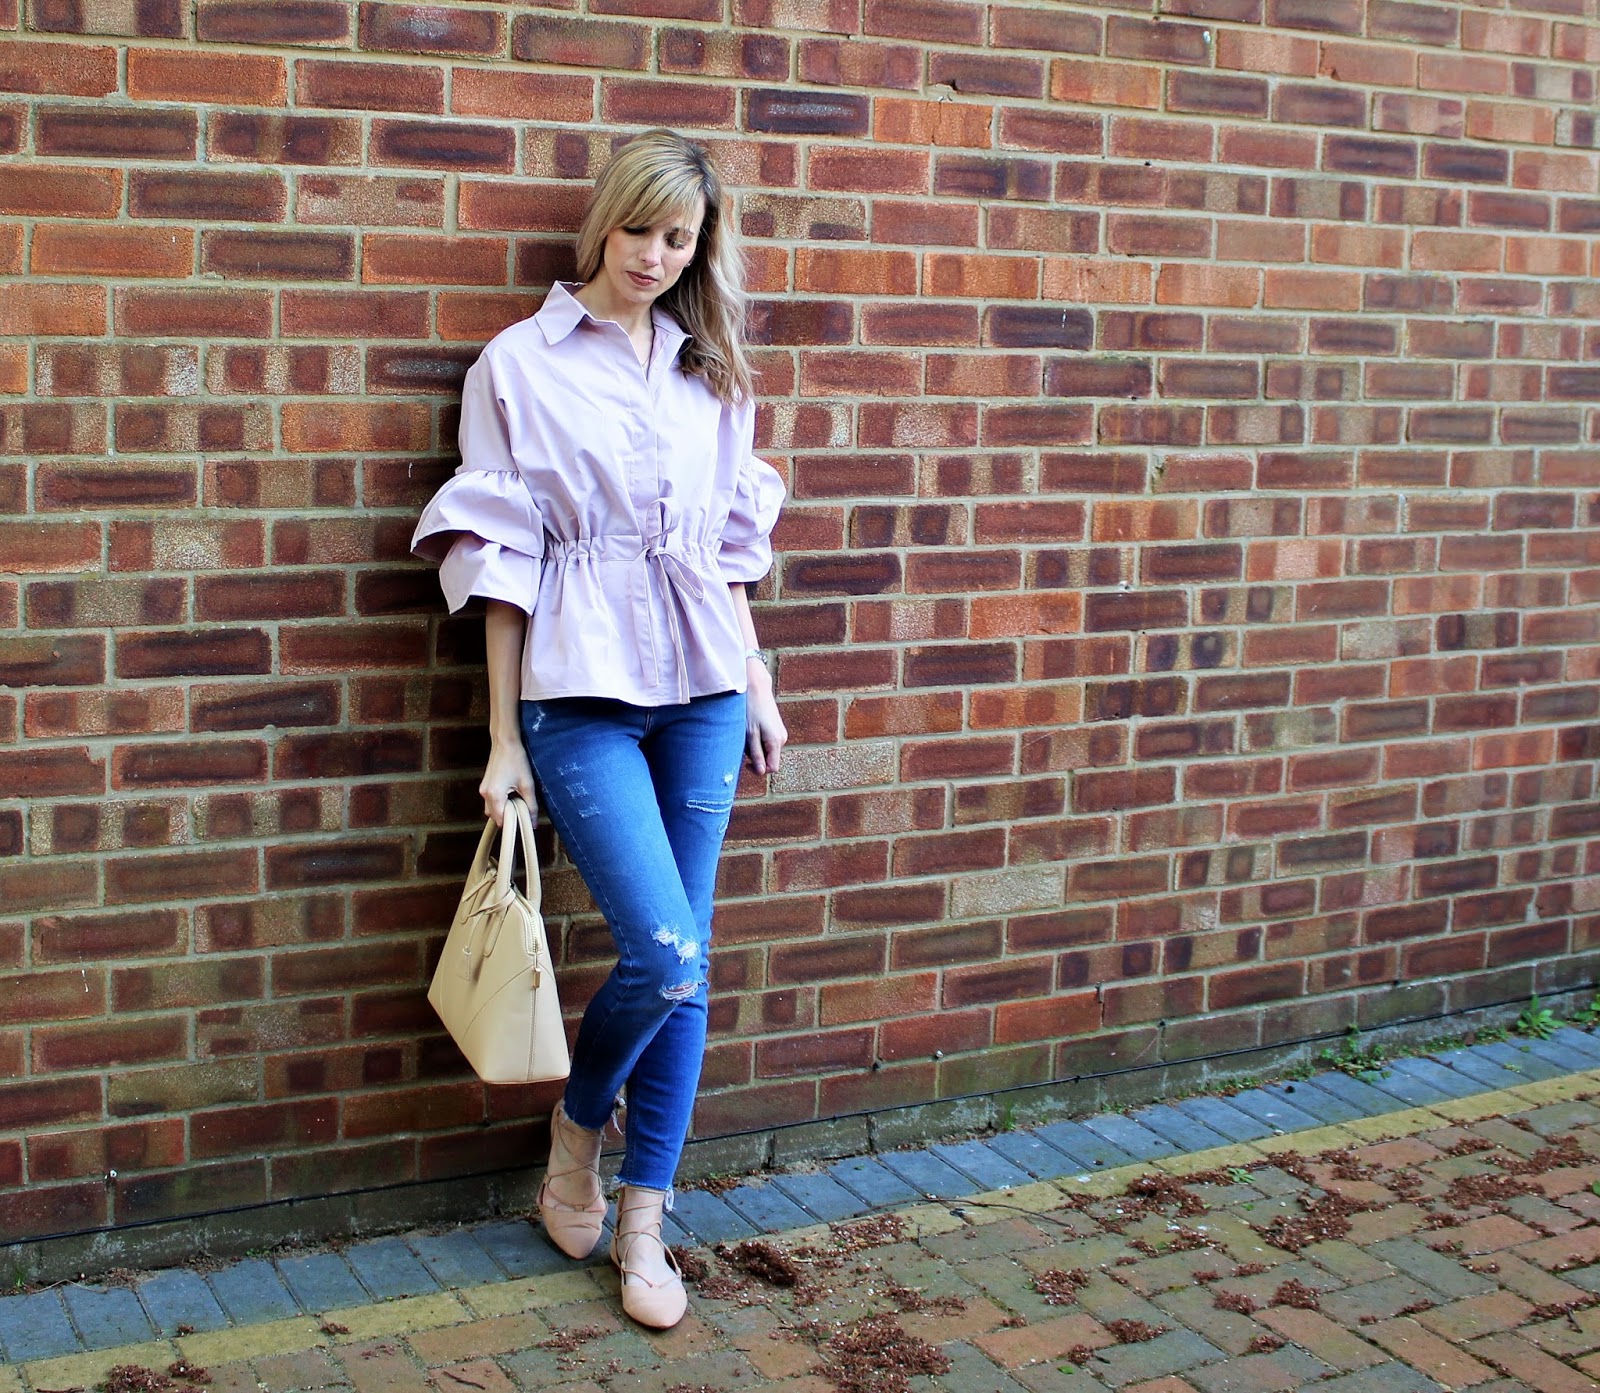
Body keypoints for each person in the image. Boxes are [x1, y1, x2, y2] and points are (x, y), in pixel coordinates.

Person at [410, 129, 787, 1330]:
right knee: (664, 955)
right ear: (603, 222)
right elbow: (500, 561)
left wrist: (756, 676)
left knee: (690, 960)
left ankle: (644, 1218)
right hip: (577, 693)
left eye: (679, 239)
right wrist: (503, 741)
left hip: (704, 691)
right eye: (639, 229)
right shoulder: (517, 366)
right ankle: (578, 1126)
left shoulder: (710, 370)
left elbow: (728, 551)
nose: (654, 256)